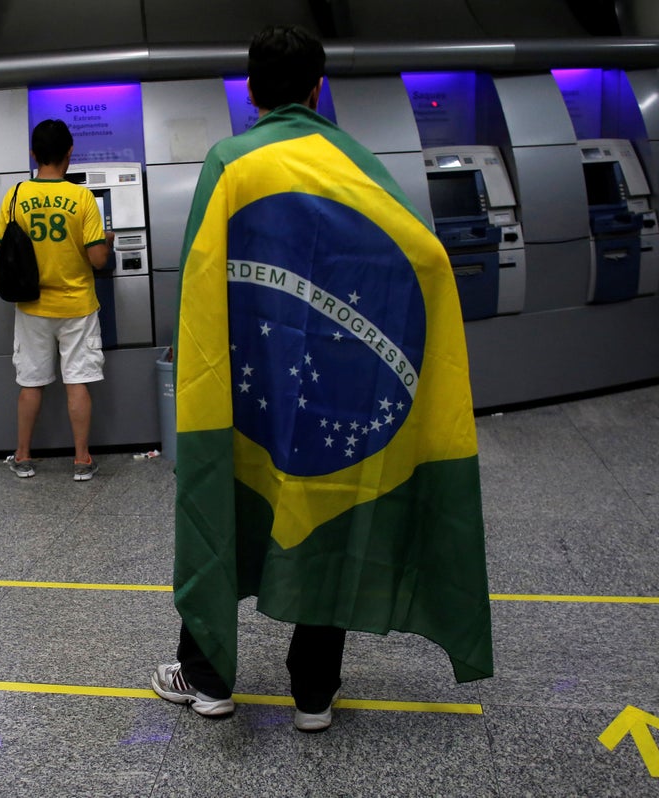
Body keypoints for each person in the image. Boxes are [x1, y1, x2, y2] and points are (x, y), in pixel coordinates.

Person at [152, 25, 493, 732]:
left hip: (248, 388)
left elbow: (202, 277)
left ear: (250, 89)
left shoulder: (232, 162)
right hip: (336, 384)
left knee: (222, 511)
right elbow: (420, 254)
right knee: (327, 505)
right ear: (317, 86)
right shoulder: (356, 162)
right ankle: (313, 692)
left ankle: (208, 679)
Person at [0, 119, 114, 481]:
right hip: (77, 306)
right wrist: (106, 240)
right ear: (69, 152)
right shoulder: (82, 198)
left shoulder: (15, 195)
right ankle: (81, 460)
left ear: (33, 153)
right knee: (77, 381)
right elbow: (97, 260)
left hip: (32, 306)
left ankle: (23, 456)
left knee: (31, 383)